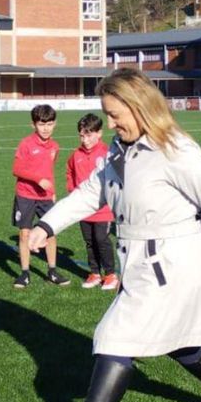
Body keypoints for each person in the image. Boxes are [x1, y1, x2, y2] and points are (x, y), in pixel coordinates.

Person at [28, 68, 201, 402]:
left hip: (177, 265)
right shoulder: (119, 151)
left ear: (140, 108)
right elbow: (91, 193)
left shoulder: (175, 150)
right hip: (143, 264)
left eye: (117, 114)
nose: (112, 122)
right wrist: (47, 224)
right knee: (184, 343)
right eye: (107, 113)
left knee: (114, 336)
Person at [11, 104, 70, 288]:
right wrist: (37, 179)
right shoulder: (26, 144)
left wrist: (52, 193)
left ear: (55, 124)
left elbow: (49, 170)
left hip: (45, 197)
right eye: (41, 124)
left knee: (50, 234)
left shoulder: (54, 146)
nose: (46, 128)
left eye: (50, 124)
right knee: (24, 234)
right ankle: (25, 273)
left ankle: (52, 271)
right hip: (26, 195)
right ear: (33, 125)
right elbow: (17, 169)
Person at [66, 113, 119, 291]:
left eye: (89, 135)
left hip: (103, 209)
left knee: (101, 239)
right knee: (89, 241)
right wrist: (73, 191)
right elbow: (70, 174)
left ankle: (111, 274)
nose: (85, 140)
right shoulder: (76, 155)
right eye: (82, 135)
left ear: (99, 133)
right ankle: (95, 273)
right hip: (84, 209)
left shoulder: (106, 153)